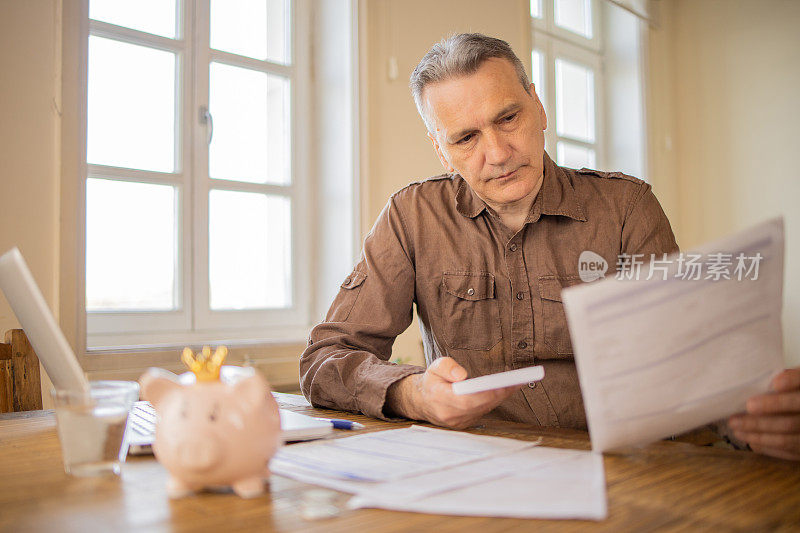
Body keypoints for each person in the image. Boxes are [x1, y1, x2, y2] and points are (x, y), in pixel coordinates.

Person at [300, 33, 800, 461]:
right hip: (471, 471)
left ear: (539, 107)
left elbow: (692, 370)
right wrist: (415, 395)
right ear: (441, 150)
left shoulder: (626, 207)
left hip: (622, 472)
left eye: (509, 118)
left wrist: (750, 423)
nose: (496, 154)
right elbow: (325, 359)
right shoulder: (413, 216)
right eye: (466, 138)